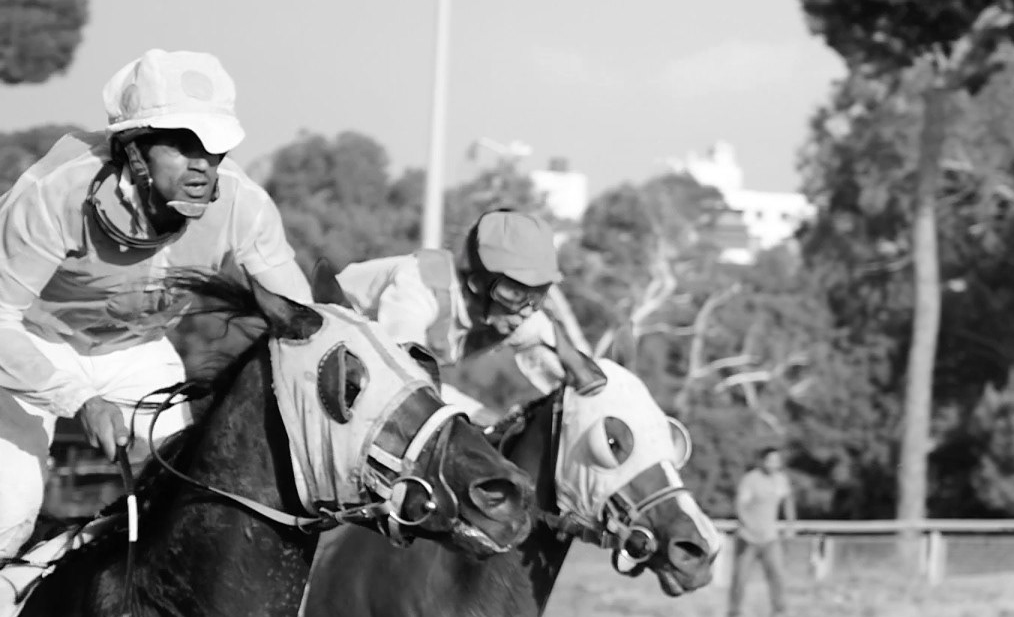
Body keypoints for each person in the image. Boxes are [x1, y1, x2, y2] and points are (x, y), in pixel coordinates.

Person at [0, 49, 314, 559]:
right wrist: (78, 399)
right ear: (134, 150)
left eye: (214, 150)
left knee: (188, 505)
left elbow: (301, 318)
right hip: (31, 342)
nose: (203, 165)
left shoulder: (245, 205)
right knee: (9, 508)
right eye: (184, 147)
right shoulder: (53, 193)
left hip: (139, 351)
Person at [335, 209, 606, 408]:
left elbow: (565, 360)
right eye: (515, 293)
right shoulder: (418, 288)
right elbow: (403, 385)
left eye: (537, 295)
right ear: (477, 284)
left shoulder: (513, 312)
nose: (527, 311)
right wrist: (480, 415)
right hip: (328, 348)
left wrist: (579, 371)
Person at [726, 446, 796, 617]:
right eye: (770, 460)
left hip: (770, 538)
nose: (774, 464)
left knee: (777, 575)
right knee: (741, 577)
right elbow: (740, 505)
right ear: (762, 461)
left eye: (777, 461)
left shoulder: (780, 480)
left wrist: (790, 525)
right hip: (748, 538)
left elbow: (787, 501)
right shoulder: (751, 480)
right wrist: (748, 524)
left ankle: (780, 612)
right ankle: (735, 614)